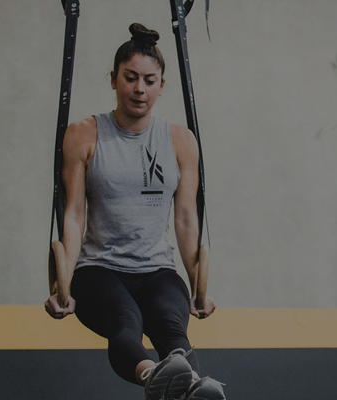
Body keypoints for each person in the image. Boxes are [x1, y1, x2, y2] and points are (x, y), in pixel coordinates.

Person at [43, 23, 225, 400]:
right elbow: (74, 214)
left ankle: (188, 388)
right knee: (126, 322)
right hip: (99, 270)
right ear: (113, 80)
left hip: (157, 269)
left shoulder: (179, 140)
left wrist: (197, 284)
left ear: (162, 86)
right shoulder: (84, 134)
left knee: (173, 331)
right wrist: (62, 286)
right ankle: (152, 377)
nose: (139, 89)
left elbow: (186, 217)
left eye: (149, 80)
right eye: (130, 78)